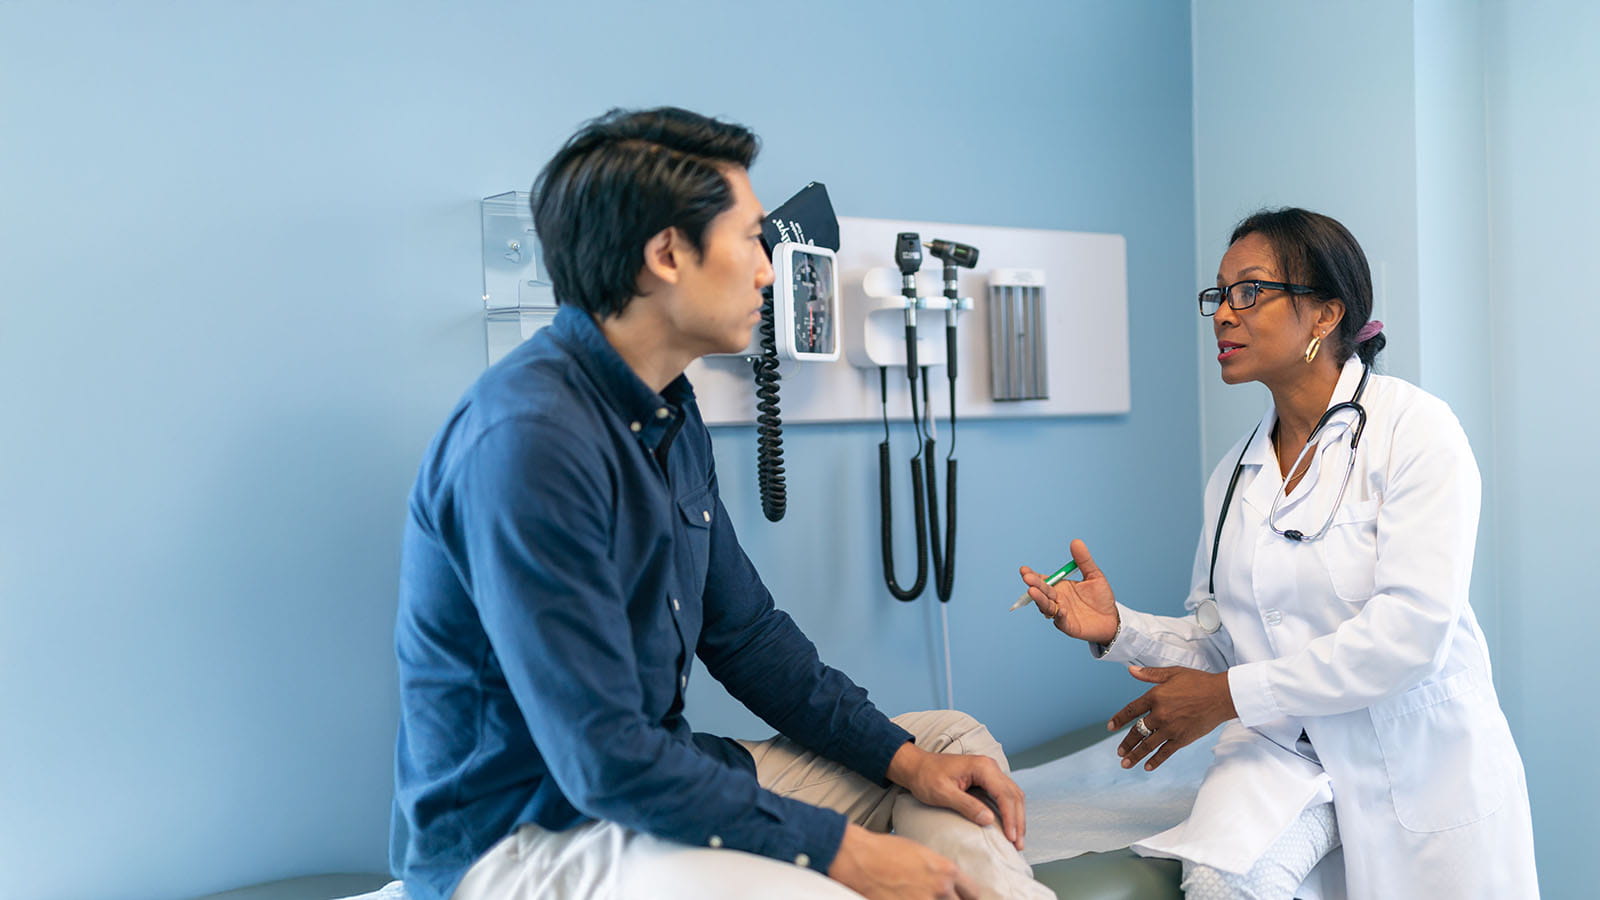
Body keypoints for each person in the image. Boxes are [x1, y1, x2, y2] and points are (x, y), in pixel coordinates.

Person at [391, 107, 1051, 900]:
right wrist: (844, 854)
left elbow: (747, 636)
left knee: (952, 749)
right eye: (748, 240)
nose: (769, 268)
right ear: (667, 254)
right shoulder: (529, 442)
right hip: (535, 838)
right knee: (830, 885)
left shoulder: (669, 407)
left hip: (659, 780)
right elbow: (603, 758)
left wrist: (907, 764)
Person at [1019, 208, 1538, 899]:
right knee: (1222, 884)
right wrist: (1119, 629)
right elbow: (1223, 644)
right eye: (1219, 294)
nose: (1224, 315)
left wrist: (1229, 697)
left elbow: (1410, 635)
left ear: (1325, 315)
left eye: (1250, 291)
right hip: (1284, 757)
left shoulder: (1415, 432)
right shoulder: (1235, 476)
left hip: (1415, 761)